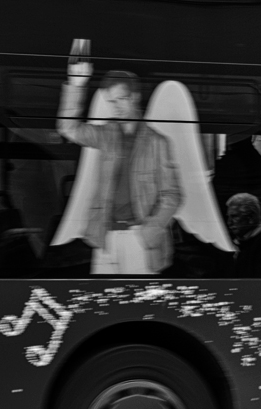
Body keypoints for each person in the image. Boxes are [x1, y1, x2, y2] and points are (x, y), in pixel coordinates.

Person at [55, 60, 182, 274]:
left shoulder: (157, 142)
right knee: (103, 304)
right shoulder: (106, 135)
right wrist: (76, 86)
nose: (116, 107)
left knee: (138, 305)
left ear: (135, 97)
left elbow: (172, 194)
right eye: (111, 102)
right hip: (105, 237)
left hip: (139, 238)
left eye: (121, 99)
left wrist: (151, 228)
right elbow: (67, 128)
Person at [225, 193, 261, 278]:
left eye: (234, 216)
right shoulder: (244, 243)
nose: (229, 222)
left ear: (251, 218)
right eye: (229, 217)